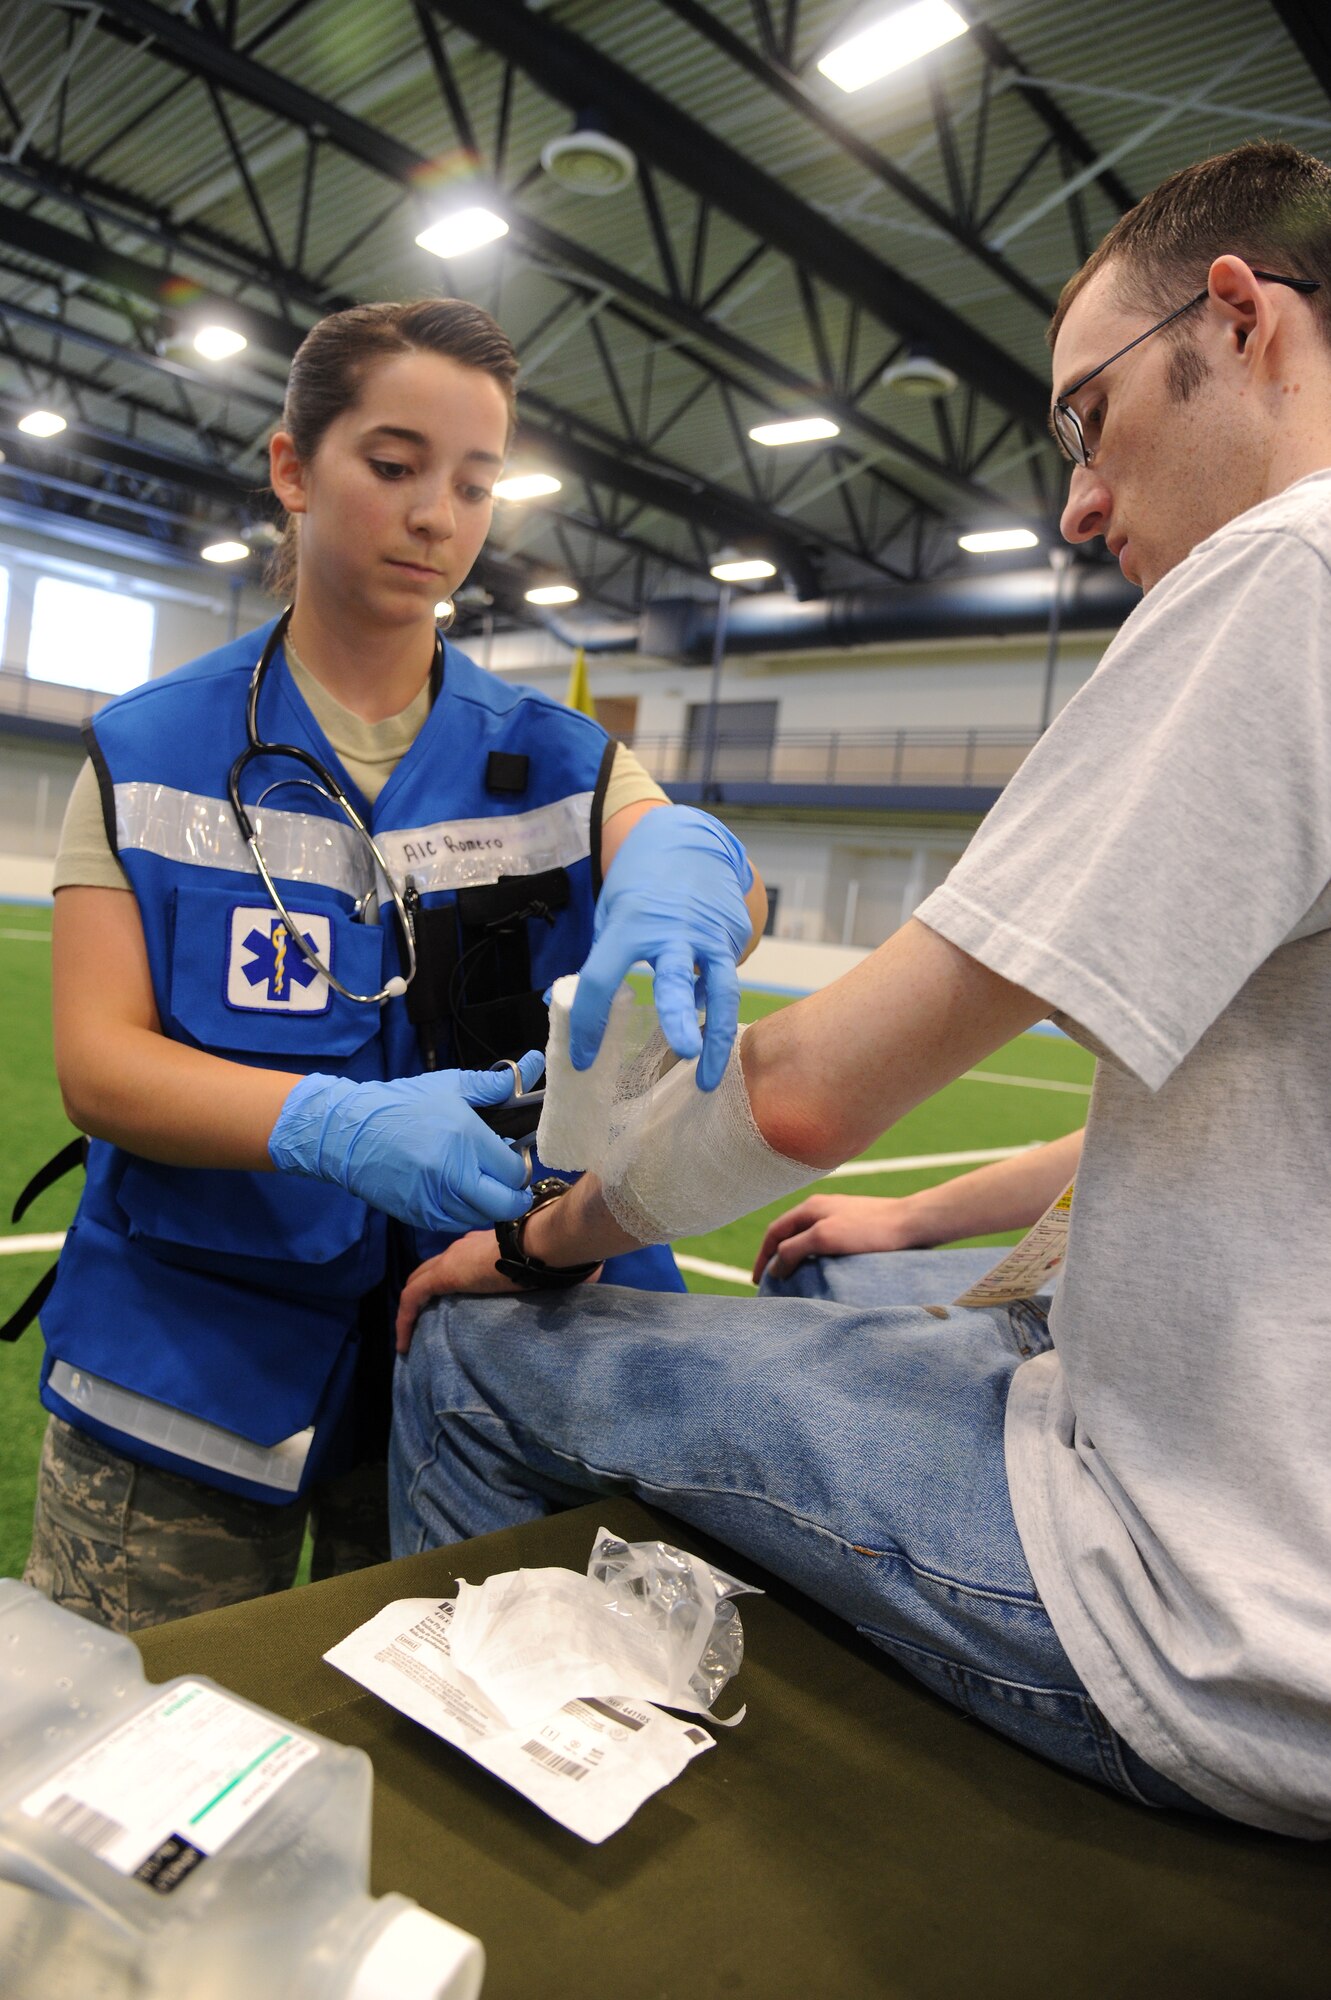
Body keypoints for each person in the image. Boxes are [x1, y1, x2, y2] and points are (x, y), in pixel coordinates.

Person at [390, 142, 1331, 1838]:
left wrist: (535, 1239)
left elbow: (814, 1090)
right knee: (834, 1287)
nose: (1079, 502)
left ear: (1243, 319)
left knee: (471, 1357)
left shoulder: (1287, 574)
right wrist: (908, 1224)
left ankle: (504, 1889)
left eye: (1086, 417)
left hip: (1226, 1625)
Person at [27, 296, 766, 1634]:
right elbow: (99, 1064)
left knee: (451, 1782)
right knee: (112, 1763)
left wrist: (697, 876)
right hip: (184, 1367)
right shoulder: (145, 751)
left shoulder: (560, 756)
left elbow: (698, 865)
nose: (440, 514)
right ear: (293, 467)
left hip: (477, 1368)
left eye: (477, 483)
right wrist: (328, 1122)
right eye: (394, 464)